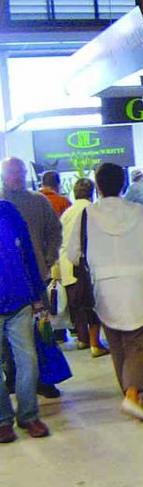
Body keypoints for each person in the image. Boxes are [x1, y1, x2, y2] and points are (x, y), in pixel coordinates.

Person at [68, 163, 143, 421]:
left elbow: (73, 254)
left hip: (103, 286)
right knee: (136, 342)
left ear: (98, 186)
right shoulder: (139, 212)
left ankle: (128, 392)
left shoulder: (87, 215)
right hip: (136, 284)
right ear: (123, 184)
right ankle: (133, 394)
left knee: (116, 341)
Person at [1, 157, 63, 399]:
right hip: (5, 285)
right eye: (13, 172)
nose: (18, 176)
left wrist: (47, 260)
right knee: (7, 340)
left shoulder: (38, 202)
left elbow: (55, 231)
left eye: (21, 172)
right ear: (4, 175)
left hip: (35, 279)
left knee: (41, 331)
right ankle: (13, 377)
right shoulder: (2, 203)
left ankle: (44, 380)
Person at [0, 200, 50, 442]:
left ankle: (28, 415)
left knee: (28, 361)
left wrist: (38, 294)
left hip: (20, 300)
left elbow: (28, 253)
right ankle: (2, 420)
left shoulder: (8, 211)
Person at [57, 178, 108, 358]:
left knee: (77, 305)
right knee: (92, 303)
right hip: (86, 264)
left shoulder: (67, 212)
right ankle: (95, 343)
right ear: (92, 192)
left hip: (66, 263)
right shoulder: (93, 210)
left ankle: (82, 339)